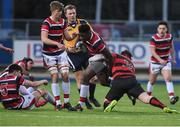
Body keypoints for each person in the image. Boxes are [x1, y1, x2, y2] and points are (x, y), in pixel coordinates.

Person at [103, 50, 179, 114]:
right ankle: (163, 107)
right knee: (146, 98)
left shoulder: (116, 55)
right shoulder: (131, 64)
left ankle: (113, 101)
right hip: (132, 81)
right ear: (130, 57)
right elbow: (129, 84)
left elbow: (107, 54)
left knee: (106, 102)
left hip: (119, 80)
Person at [41, 1, 76, 111]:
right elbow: (44, 39)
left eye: (61, 11)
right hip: (48, 54)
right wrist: (57, 43)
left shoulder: (63, 22)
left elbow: (67, 37)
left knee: (65, 75)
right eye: (58, 11)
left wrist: (74, 35)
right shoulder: (47, 22)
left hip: (60, 53)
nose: (60, 14)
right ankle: (58, 103)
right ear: (53, 11)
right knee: (55, 76)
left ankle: (66, 102)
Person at [64, 4, 100, 109]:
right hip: (72, 55)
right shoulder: (63, 26)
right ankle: (85, 101)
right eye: (70, 13)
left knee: (93, 77)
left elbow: (92, 34)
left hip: (85, 53)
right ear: (65, 15)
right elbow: (60, 42)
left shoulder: (83, 22)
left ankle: (92, 97)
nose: (72, 15)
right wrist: (67, 49)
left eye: (74, 13)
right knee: (80, 79)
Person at [73, 24, 113, 111]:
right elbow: (79, 37)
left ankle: (80, 104)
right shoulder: (84, 35)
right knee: (104, 82)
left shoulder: (97, 42)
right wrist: (77, 45)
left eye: (83, 36)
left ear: (88, 33)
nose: (81, 38)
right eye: (81, 35)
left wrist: (110, 72)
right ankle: (122, 87)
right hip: (94, 58)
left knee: (85, 77)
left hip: (102, 58)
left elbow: (109, 56)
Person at [146, 21, 179, 105]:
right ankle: (147, 96)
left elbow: (171, 48)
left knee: (168, 78)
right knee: (152, 81)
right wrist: (160, 60)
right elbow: (153, 52)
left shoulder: (170, 37)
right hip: (155, 63)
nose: (161, 30)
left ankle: (171, 98)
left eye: (163, 28)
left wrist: (173, 58)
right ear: (157, 29)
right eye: (160, 28)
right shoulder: (153, 38)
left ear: (166, 29)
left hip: (166, 62)